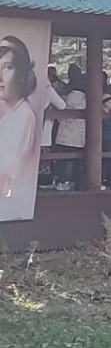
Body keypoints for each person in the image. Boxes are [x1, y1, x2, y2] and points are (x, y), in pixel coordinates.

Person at [0, 36, 42, 219]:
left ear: (22, 74)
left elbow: (10, 170)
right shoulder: (10, 113)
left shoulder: (23, 116)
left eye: (7, 68)